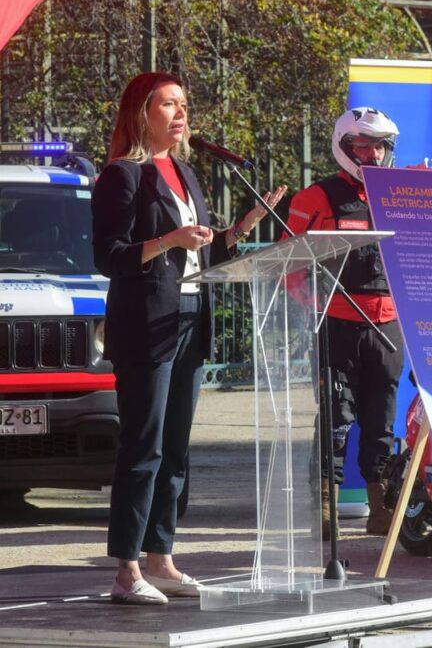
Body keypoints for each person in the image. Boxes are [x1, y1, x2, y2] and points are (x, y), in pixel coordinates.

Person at [92, 72, 286, 605]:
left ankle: (161, 559)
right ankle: (127, 569)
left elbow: (199, 252)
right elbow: (108, 256)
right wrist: (168, 239)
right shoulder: (122, 175)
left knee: (176, 450)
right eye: (168, 104)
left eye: (183, 104)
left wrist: (239, 231)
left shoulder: (184, 172)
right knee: (144, 447)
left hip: (190, 316)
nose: (180, 113)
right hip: (145, 325)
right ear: (142, 113)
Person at [282, 107, 404, 537]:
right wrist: (315, 303)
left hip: (388, 324)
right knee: (336, 418)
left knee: (382, 420)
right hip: (336, 321)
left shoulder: (397, 193)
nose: (374, 155)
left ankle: (380, 507)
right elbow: (288, 265)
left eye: (380, 147)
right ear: (345, 146)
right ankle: (325, 508)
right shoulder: (315, 197)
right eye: (364, 146)